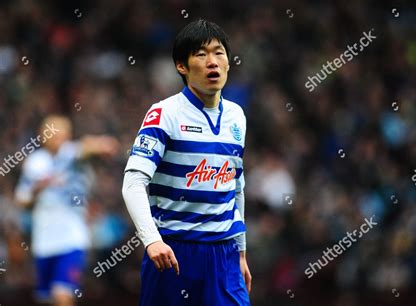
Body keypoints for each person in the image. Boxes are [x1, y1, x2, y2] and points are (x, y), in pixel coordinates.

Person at [122, 19, 251, 306]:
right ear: (182, 66)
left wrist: (241, 252)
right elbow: (132, 182)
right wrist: (151, 240)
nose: (212, 62)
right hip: (175, 252)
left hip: (224, 255)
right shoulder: (163, 114)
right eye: (201, 54)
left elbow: (236, 185)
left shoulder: (236, 116)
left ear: (229, 62)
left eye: (219, 53)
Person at [14, 115, 118, 306]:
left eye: (61, 132)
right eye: (53, 132)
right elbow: (21, 199)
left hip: (71, 238)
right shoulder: (35, 162)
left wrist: (102, 144)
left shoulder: (72, 154)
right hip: (43, 240)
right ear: (43, 135)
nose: (57, 137)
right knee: (45, 299)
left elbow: (89, 146)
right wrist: (37, 190)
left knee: (62, 294)